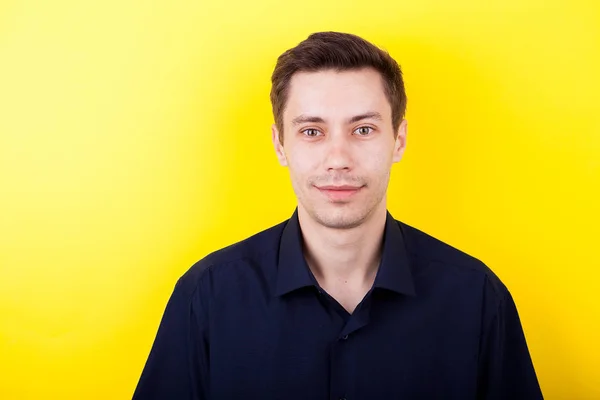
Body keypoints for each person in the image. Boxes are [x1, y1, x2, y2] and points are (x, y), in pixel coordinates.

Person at [132, 31, 543, 399]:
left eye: (363, 129)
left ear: (398, 140)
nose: (338, 159)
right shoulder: (206, 297)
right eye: (312, 131)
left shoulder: (477, 299)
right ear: (280, 144)